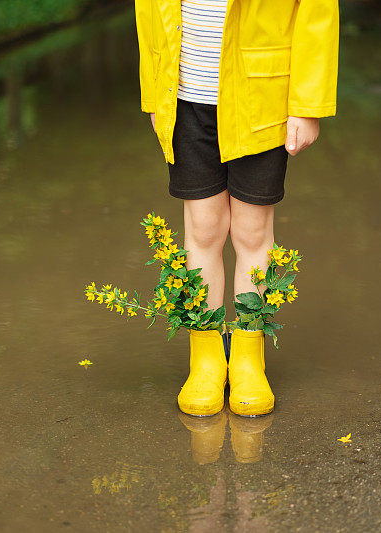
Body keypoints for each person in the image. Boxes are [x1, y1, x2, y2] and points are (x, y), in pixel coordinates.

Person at [134, 0, 338, 417]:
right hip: (186, 100)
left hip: (261, 97)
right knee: (203, 230)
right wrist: (154, 92)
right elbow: (149, 11)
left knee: (251, 231)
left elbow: (318, 13)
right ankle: (206, 358)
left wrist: (307, 105)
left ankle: (248, 355)